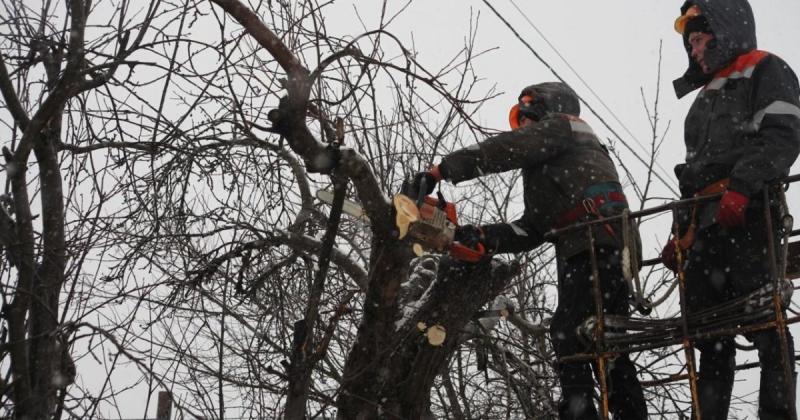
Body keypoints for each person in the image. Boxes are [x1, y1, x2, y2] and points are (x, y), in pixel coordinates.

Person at [412, 82, 647, 420]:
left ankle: (579, 413)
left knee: (570, 332)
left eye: (526, 116)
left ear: (546, 107)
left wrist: (441, 171)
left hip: (597, 240)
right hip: (591, 244)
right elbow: (533, 229)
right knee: (605, 343)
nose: (522, 127)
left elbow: (505, 149)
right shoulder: (552, 163)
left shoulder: (564, 127)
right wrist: (483, 236)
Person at [665, 1, 800, 419]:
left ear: (723, 30)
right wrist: (681, 233)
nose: (693, 49)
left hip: (749, 216)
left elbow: (782, 136)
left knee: (765, 319)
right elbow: (691, 179)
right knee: (709, 334)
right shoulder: (702, 99)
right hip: (705, 227)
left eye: (698, 38)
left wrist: (741, 188)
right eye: (689, 42)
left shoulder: (764, 68)